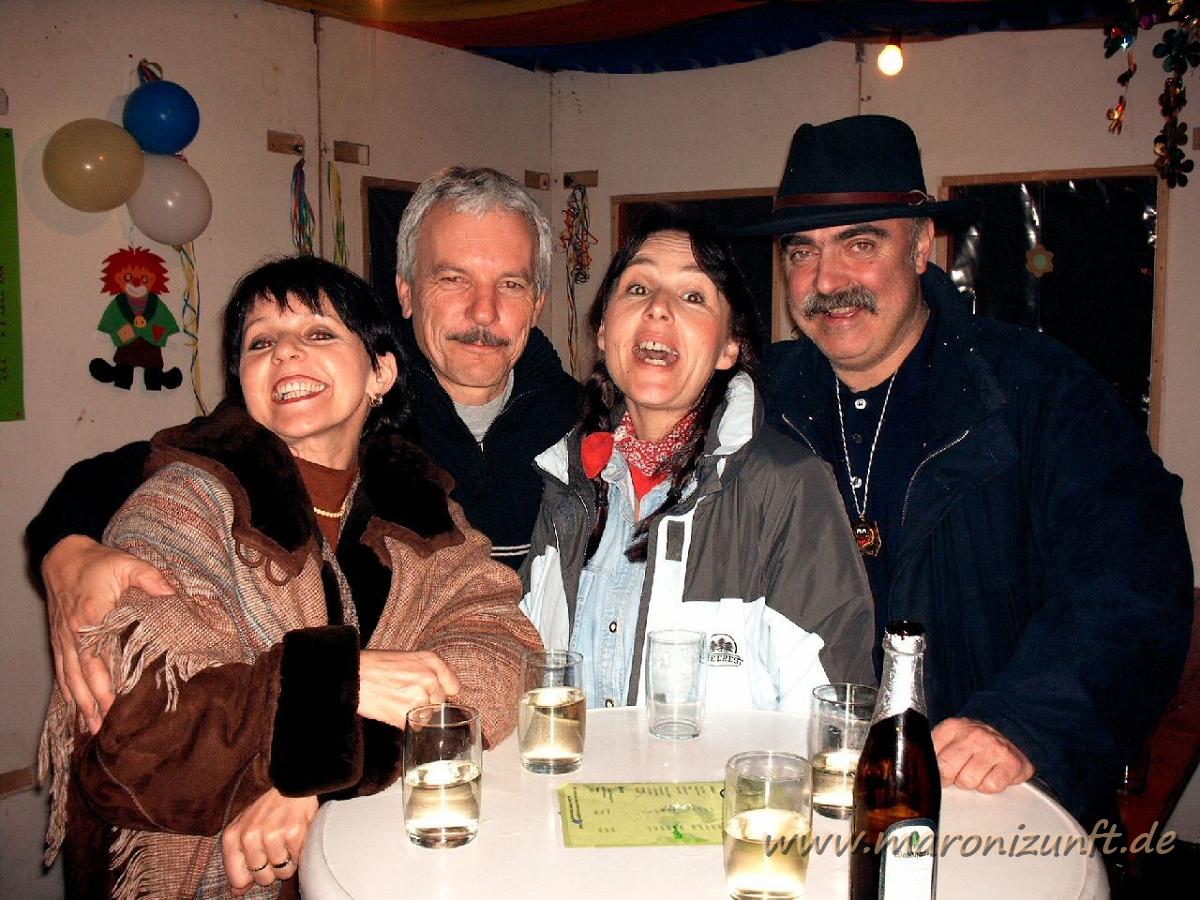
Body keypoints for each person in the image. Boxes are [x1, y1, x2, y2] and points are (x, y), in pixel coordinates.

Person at [38, 256, 543, 898]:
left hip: (384, 872)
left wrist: (315, 775)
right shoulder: (183, 503)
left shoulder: (427, 514)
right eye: (260, 342)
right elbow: (141, 733)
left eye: (319, 332)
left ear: (381, 372)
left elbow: (503, 657)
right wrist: (346, 683)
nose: (285, 352)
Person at [746, 114, 1193, 826]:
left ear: (922, 244)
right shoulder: (757, 402)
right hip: (802, 792)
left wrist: (1021, 721)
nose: (826, 280)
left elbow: (1131, 587)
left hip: (983, 797)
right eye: (802, 251)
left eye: (860, 244)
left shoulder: (1039, 392)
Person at [27, 166, 579, 735]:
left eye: (510, 284)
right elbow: (148, 472)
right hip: (346, 738)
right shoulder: (337, 404)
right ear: (407, 292)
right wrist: (67, 552)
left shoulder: (581, 421)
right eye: (453, 278)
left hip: (519, 725)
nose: (484, 312)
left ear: (538, 302)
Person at [520, 206, 874, 714]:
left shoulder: (787, 489)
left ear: (729, 346)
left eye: (692, 296)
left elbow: (833, 718)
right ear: (602, 331)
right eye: (637, 288)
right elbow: (529, 675)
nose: (658, 309)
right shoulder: (567, 484)